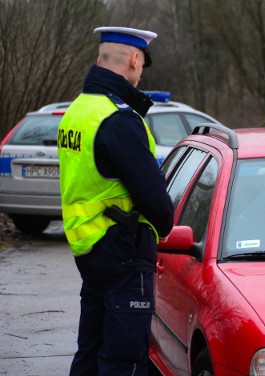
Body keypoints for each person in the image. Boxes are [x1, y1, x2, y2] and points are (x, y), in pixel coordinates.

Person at [57, 26, 174, 375]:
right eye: (141, 67)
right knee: (123, 363)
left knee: (89, 355)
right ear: (135, 59)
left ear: (100, 58)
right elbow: (157, 205)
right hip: (122, 253)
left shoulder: (78, 110)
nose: (140, 76)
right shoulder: (119, 119)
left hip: (89, 250)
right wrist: (164, 222)